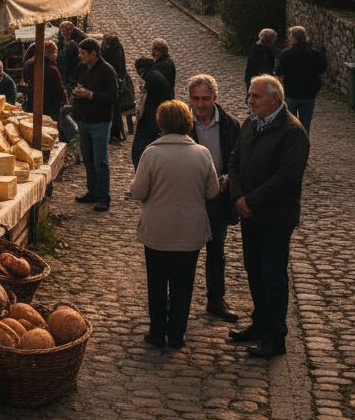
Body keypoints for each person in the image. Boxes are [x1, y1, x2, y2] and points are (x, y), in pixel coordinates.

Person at [228, 74, 310, 358]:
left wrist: (251, 200)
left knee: (273, 278)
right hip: (249, 214)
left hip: (275, 217)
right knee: (254, 270)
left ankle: (275, 336)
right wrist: (238, 197)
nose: (250, 101)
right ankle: (260, 323)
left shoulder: (292, 131)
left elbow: (286, 178)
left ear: (274, 98)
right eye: (250, 95)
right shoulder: (251, 124)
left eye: (256, 96)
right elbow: (235, 159)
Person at [130, 99, 219, 349]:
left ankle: (157, 332)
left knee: (156, 283)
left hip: (157, 230)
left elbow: (138, 192)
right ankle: (177, 334)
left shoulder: (151, 153)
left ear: (161, 123)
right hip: (189, 232)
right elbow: (212, 191)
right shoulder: (202, 154)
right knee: (183, 285)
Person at [188, 74, 242, 323]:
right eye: (196, 99)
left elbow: (240, 160)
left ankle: (216, 299)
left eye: (205, 99)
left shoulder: (231, 125)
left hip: (219, 198)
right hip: (189, 198)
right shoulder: (182, 123)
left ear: (215, 98)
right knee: (185, 252)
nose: (200, 104)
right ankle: (180, 301)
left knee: (216, 251)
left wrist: (230, 179)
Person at [70, 38, 118, 212]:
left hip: (100, 122)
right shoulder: (83, 67)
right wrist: (76, 92)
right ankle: (93, 191)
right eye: (79, 52)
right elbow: (79, 84)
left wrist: (90, 95)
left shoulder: (107, 71)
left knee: (100, 161)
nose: (79, 55)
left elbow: (113, 96)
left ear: (94, 54)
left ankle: (104, 197)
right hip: (84, 120)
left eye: (83, 53)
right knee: (88, 160)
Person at [275, 26, 327, 134]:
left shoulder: (286, 53)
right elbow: (321, 70)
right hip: (308, 94)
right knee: (305, 126)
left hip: (291, 93)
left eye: (290, 36)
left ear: (294, 38)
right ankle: (303, 147)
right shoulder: (314, 54)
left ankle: (292, 147)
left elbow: (279, 71)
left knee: (290, 124)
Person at [132, 57, 167, 169]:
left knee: (139, 150)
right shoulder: (155, 75)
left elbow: (148, 101)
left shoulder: (151, 78)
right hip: (153, 119)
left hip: (149, 121)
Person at [22, 41, 67, 121]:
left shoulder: (28, 64)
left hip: (31, 105)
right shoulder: (52, 69)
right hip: (49, 109)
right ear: (53, 53)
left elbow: (25, 80)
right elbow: (60, 91)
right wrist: (66, 105)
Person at [101, 33, 133, 143]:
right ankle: (118, 132)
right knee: (116, 109)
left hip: (113, 83)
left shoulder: (112, 51)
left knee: (114, 110)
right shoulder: (119, 47)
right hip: (119, 81)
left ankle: (115, 133)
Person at [244, 29, 278, 94]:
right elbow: (270, 65)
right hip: (263, 78)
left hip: (251, 77)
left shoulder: (254, 48)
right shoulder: (267, 50)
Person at [57, 21, 86, 88]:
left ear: (73, 29)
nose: (66, 33)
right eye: (63, 31)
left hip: (76, 69)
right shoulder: (60, 38)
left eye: (68, 30)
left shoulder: (80, 39)